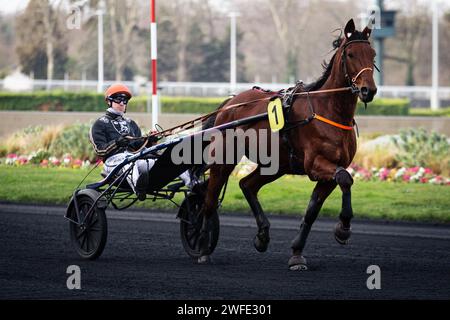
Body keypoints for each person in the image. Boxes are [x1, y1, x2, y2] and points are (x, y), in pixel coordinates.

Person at [89, 83, 193, 200]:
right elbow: (100, 150)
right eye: (119, 100)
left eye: (125, 101)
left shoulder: (131, 123)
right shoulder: (99, 124)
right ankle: (139, 189)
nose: (122, 103)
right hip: (113, 163)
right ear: (109, 101)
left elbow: (138, 146)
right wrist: (117, 143)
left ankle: (193, 185)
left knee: (169, 158)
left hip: (135, 159)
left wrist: (149, 140)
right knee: (129, 162)